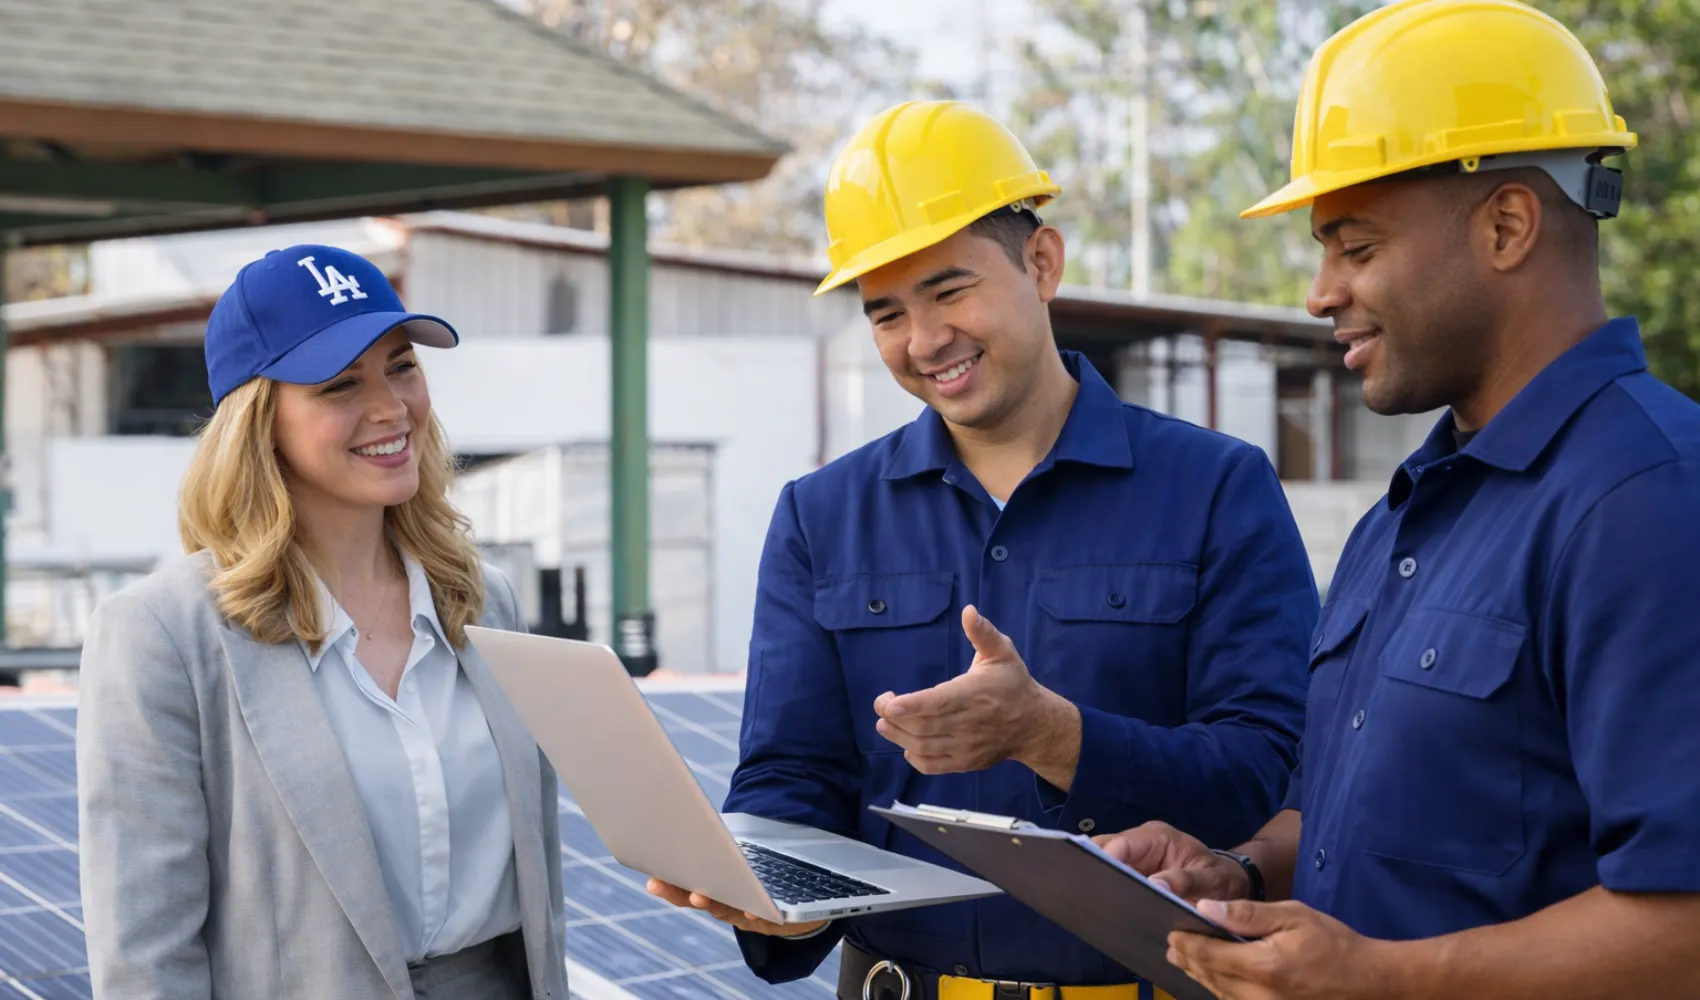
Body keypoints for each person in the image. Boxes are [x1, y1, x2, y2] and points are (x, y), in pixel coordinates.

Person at [647, 100, 1319, 1000]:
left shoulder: (1217, 489)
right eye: (886, 313)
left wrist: (1058, 739)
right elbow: (792, 771)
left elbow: (1274, 773)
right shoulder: (821, 515)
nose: (925, 341)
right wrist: (775, 890)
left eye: (950, 291)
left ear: (1042, 262)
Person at [1096, 1, 1700, 997]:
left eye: (1357, 247)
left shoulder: (1649, 501)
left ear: (1506, 226)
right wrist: (1240, 870)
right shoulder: (1401, 518)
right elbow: (1349, 821)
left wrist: (1384, 977)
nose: (1318, 293)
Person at [76, 245, 568, 1000]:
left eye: (402, 367)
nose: (391, 408)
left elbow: (537, 891)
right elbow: (145, 956)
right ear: (258, 422)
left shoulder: (482, 599)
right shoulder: (161, 634)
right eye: (341, 383)